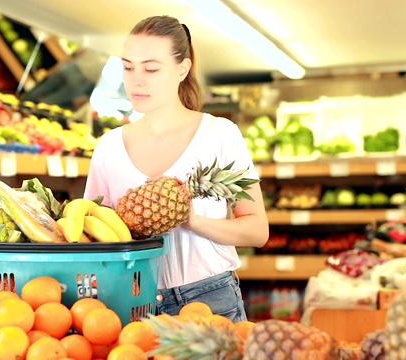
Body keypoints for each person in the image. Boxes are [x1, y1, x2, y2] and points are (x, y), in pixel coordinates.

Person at [83, 15, 269, 322]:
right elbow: (91, 233)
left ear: (182, 68)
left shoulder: (219, 134)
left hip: (207, 299)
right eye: (128, 67)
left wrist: (193, 221)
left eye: (151, 68)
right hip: (130, 302)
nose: (136, 79)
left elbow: (256, 231)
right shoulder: (108, 146)